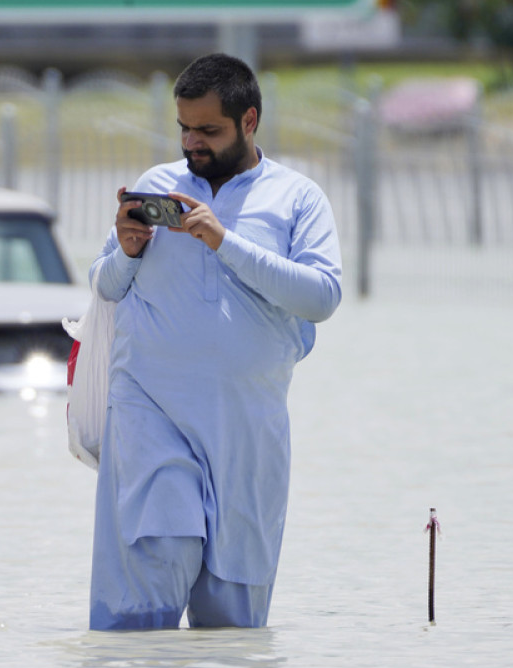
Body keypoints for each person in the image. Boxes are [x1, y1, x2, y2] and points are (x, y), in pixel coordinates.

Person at [88, 53, 342, 630]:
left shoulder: (297, 198)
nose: (192, 143)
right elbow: (103, 286)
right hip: (151, 409)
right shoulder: (158, 186)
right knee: (159, 555)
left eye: (208, 130)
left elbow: (322, 298)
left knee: (232, 626)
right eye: (184, 128)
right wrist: (127, 248)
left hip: (247, 424)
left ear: (249, 121)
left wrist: (224, 241)